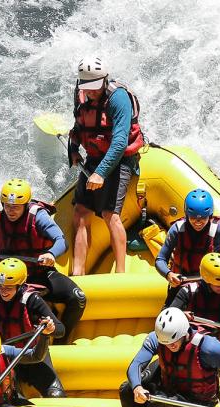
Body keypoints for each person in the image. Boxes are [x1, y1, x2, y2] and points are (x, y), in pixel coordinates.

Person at [0, 178, 86, 336]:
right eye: (8, 206)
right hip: (10, 280)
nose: (11, 211)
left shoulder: (38, 217)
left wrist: (51, 253)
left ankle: (63, 337)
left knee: (78, 298)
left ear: (26, 205)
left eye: (16, 207)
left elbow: (61, 241)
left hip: (40, 274)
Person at [68, 55, 144, 276]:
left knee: (111, 214)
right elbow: (78, 126)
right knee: (80, 212)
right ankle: (78, 272)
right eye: (87, 87)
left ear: (104, 78)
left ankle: (120, 273)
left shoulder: (118, 98)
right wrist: (73, 149)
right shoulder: (82, 94)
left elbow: (120, 141)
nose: (90, 92)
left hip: (119, 160)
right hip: (94, 157)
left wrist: (100, 173)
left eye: (94, 87)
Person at [0, 258, 66, 398]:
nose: (3, 291)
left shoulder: (32, 300)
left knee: (56, 395)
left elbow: (60, 329)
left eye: (9, 287)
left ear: (20, 285)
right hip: (3, 356)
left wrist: (50, 329)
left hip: (33, 355)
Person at [118, 308, 220, 407]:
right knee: (126, 388)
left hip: (198, 405)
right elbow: (136, 365)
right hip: (170, 389)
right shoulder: (157, 339)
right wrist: (137, 388)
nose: (170, 346)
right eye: (166, 343)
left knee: (160, 401)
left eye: (174, 342)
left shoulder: (207, 347)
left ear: (184, 332)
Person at [155, 188, 220, 305]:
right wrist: (169, 274)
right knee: (168, 313)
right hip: (183, 281)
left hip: (212, 282)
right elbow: (160, 259)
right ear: (187, 215)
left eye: (203, 218)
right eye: (193, 218)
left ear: (210, 215)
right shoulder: (177, 230)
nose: (198, 222)